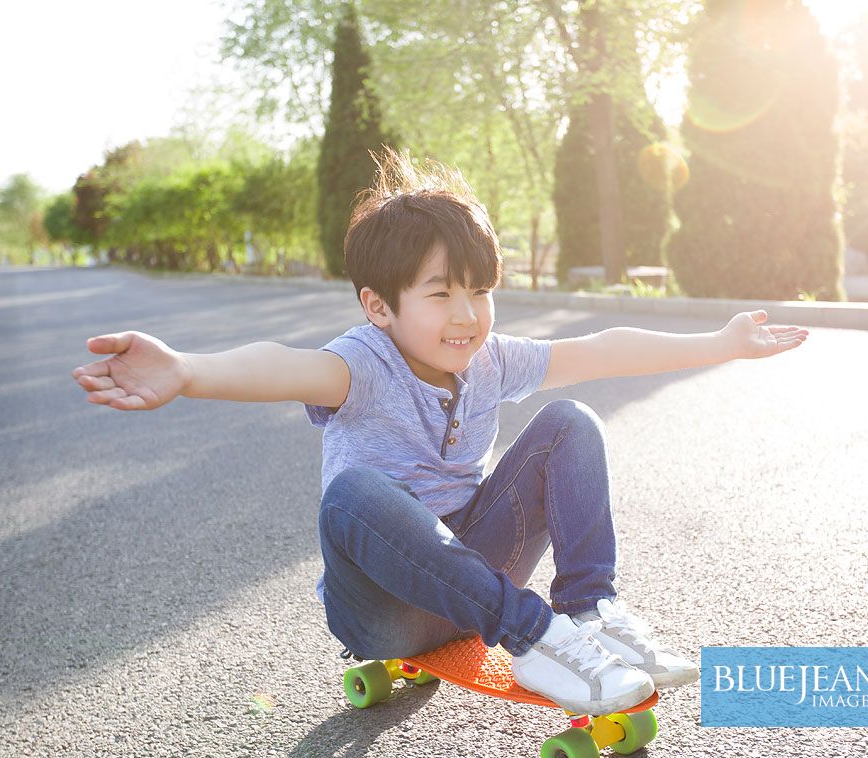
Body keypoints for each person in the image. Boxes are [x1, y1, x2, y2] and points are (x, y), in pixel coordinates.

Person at [70, 147, 809, 716]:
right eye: (440, 293)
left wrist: (719, 343)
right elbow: (280, 365)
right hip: (384, 611)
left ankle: (591, 609)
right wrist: (187, 370)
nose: (466, 315)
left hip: (473, 573)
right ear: (378, 306)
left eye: (480, 291)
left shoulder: (487, 360)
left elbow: (600, 351)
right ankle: (539, 638)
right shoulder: (362, 364)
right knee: (353, 493)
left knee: (569, 423)